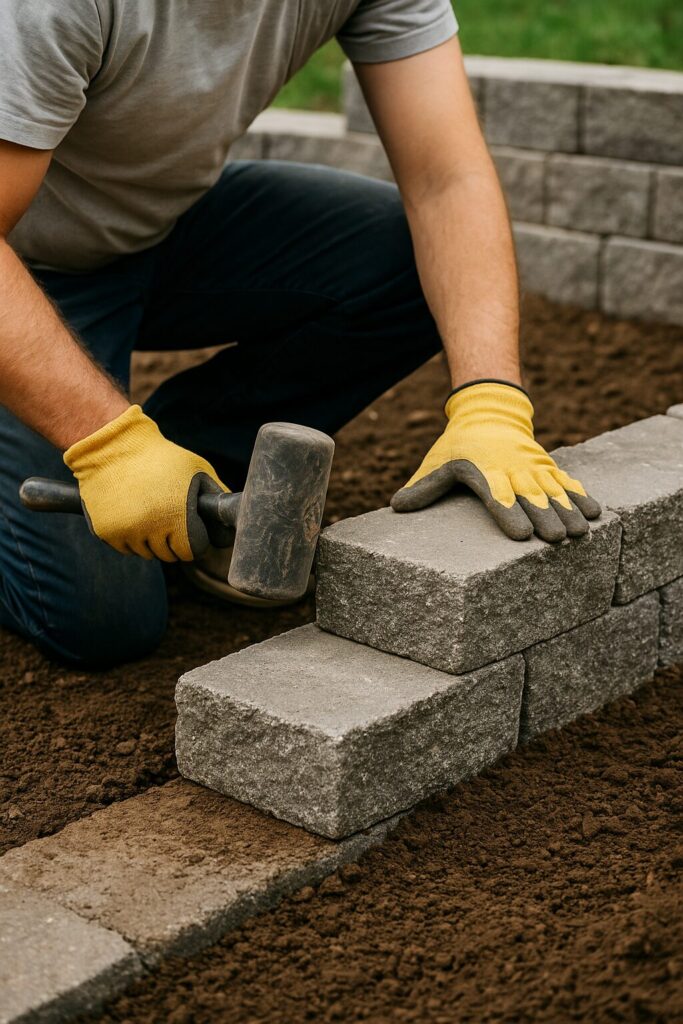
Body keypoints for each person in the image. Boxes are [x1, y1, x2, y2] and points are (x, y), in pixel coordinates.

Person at [0, 0, 600, 668]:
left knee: (400, 263)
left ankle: (188, 472)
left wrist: (492, 402)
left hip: (152, 227)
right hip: (22, 267)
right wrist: (107, 447)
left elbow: (445, 180)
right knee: (101, 621)